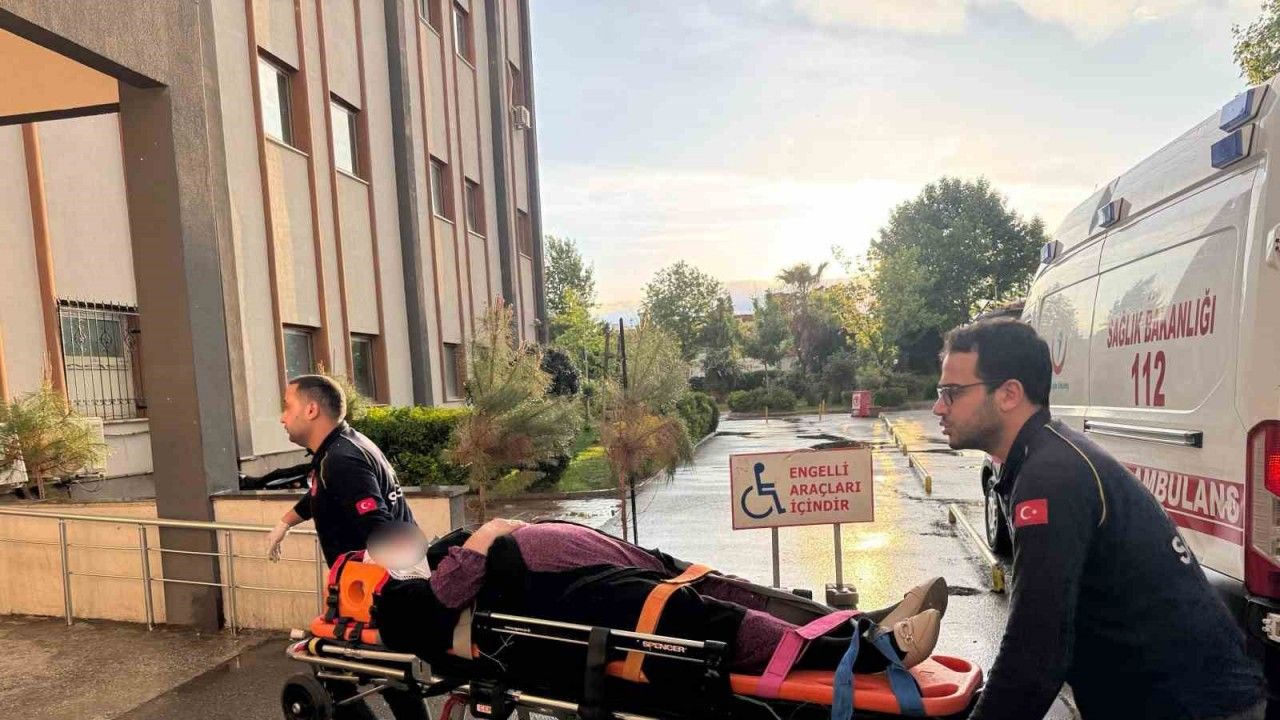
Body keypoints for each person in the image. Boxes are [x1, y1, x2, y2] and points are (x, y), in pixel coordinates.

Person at [933, 318, 1264, 720]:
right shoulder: (1044, 456)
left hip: (1191, 707)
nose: (939, 407)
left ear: (1009, 394)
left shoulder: (1050, 478)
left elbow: (1036, 651)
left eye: (952, 392)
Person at [370, 519, 947, 678]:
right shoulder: (405, 596)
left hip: (587, 553)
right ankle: (867, 653)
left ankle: (855, 623)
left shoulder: (428, 557)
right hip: (568, 587)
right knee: (705, 616)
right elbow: (448, 596)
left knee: (716, 583)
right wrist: (486, 535)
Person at [265, 374, 424, 720]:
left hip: (378, 590)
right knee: (391, 677)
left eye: (287, 407)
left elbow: (380, 524)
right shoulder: (341, 447)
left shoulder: (341, 460)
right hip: (380, 586)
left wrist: (379, 581)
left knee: (334, 665)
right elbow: (321, 492)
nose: (282, 417)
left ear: (311, 410)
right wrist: (286, 522)